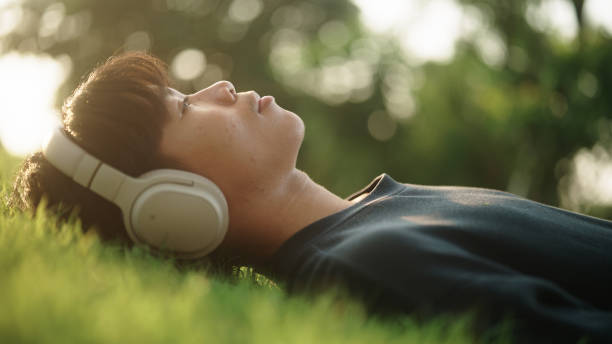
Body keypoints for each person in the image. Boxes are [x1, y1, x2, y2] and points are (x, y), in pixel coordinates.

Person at [8, 52, 612, 343]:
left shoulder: (378, 213)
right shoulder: (371, 262)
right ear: (171, 206)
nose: (219, 86)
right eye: (186, 106)